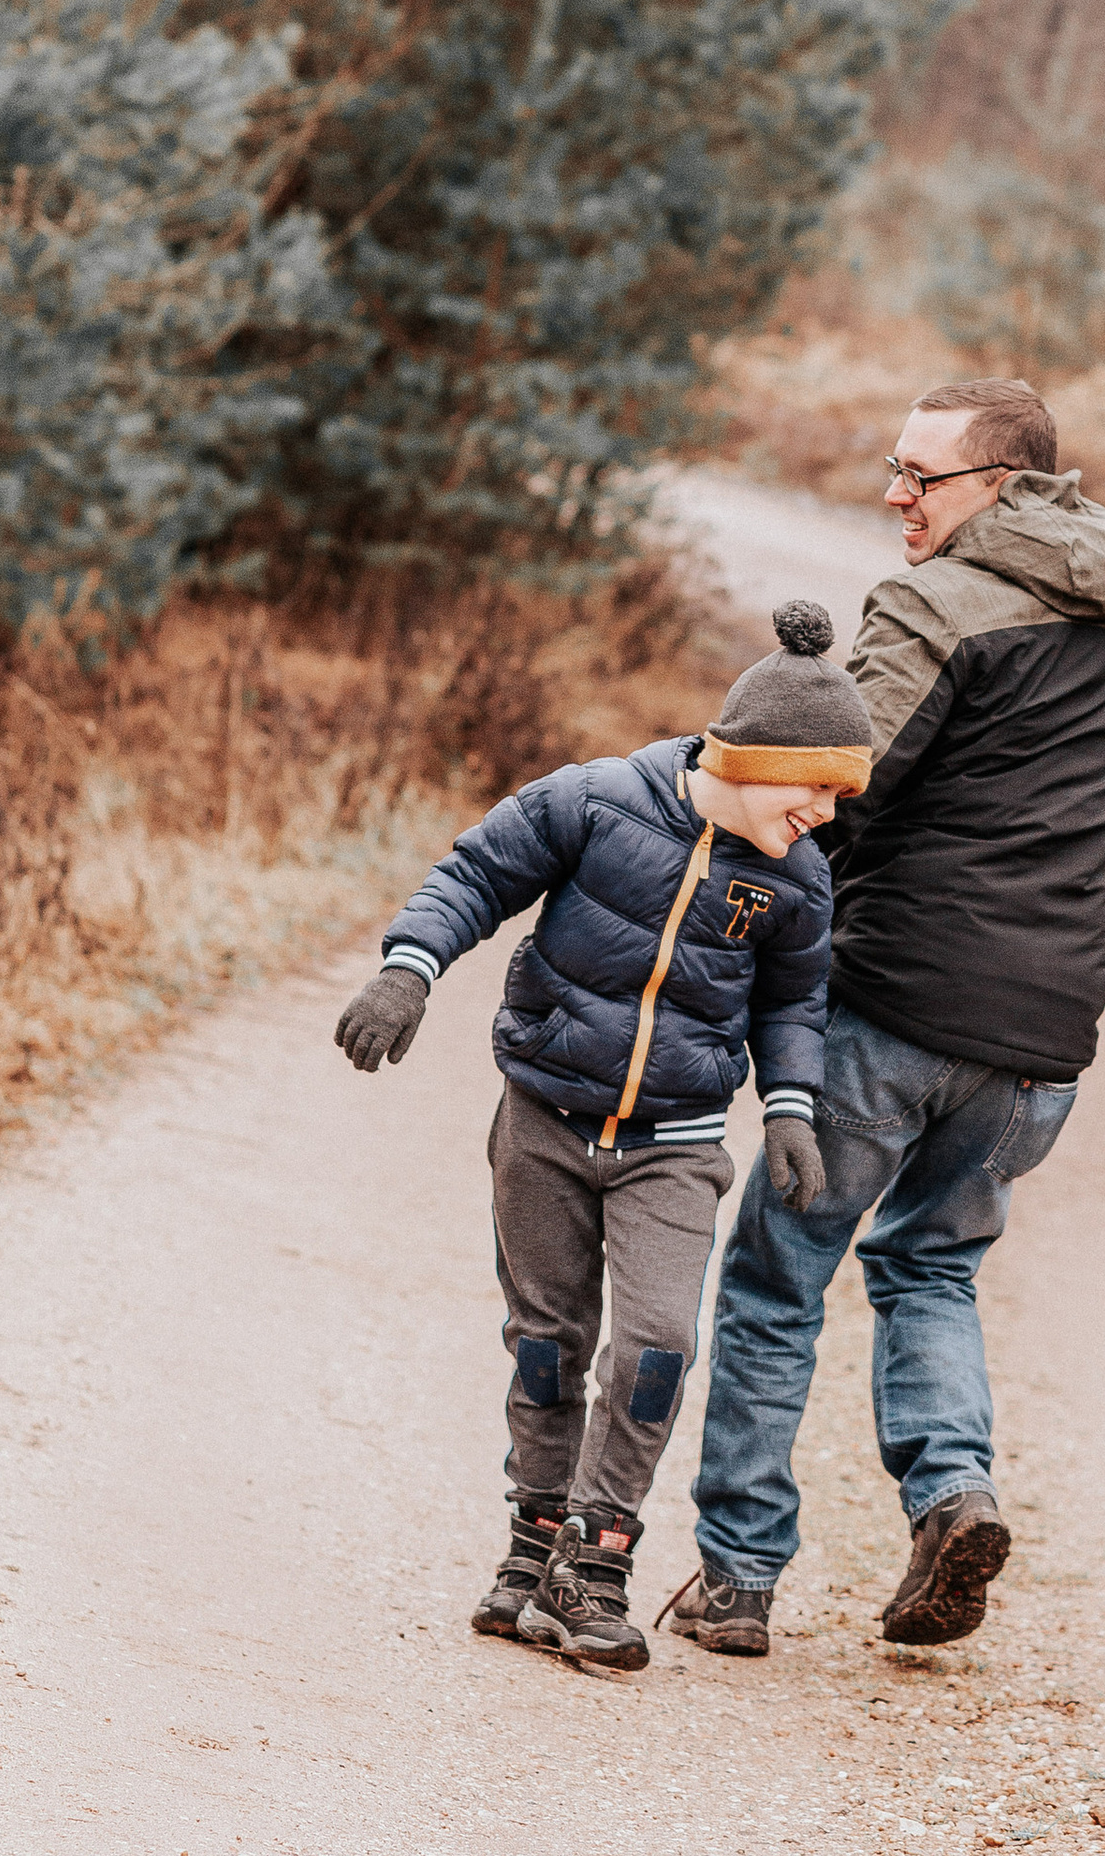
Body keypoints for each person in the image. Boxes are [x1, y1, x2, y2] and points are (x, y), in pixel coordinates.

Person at [667, 378, 1105, 1660]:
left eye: (920, 476)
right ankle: (952, 1496)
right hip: (1040, 1051)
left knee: (779, 1279)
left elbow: (840, 784)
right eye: (893, 467)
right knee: (931, 1268)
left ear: (1002, 487)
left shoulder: (932, 607)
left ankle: (737, 1580)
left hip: (891, 1008)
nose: (895, 494)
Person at [330, 602, 873, 1675]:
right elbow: (474, 876)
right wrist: (409, 969)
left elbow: (794, 1004)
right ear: (753, 761)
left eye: (838, 797)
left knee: (659, 1343)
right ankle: (534, 1541)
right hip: (543, 1119)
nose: (824, 813)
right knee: (547, 1339)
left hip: (676, 1141)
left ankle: (598, 1555)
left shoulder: (796, 876)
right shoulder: (593, 802)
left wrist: (791, 1109)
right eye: (815, 787)